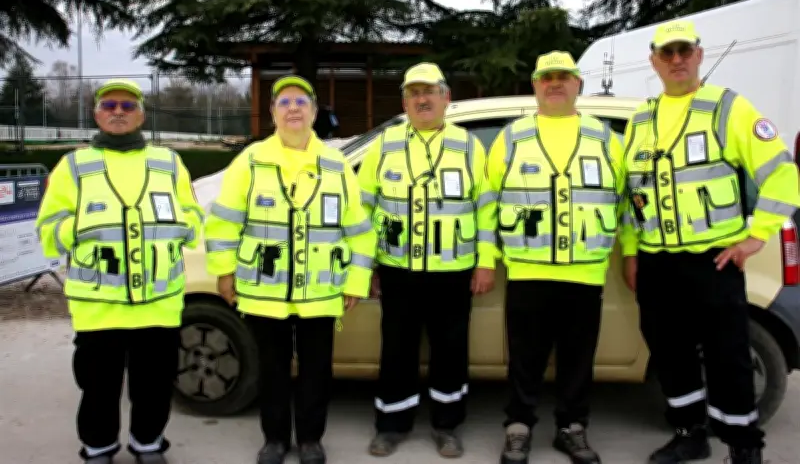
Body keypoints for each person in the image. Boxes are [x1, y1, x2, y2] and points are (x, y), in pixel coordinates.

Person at [619, 19, 800, 464]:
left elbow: (781, 171)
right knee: (671, 354)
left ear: (699, 55)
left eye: (684, 51)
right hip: (657, 263)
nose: (676, 60)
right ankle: (689, 435)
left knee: (728, 357)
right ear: (654, 62)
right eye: (667, 53)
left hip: (712, 261)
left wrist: (757, 236)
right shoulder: (642, 118)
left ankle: (743, 448)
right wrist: (631, 249)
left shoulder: (728, 109)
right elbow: (631, 194)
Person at [203, 75, 376, 464]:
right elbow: (225, 221)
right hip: (264, 291)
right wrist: (224, 271)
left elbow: (359, 230)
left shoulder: (336, 164)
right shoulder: (251, 161)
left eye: (301, 101)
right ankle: (276, 439)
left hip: (321, 291)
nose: (293, 108)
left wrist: (355, 280)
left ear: (314, 112)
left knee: (317, 371)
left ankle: (311, 440)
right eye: (284, 102)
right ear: (272, 113)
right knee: (272, 369)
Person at [35, 79, 204, 464]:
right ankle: (98, 447)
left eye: (127, 107)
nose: (117, 112)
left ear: (141, 115)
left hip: (158, 302)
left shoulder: (168, 162)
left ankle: (148, 443)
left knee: (155, 384)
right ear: (96, 114)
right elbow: (48, 227)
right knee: (98, 385)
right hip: (98, 303)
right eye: (109, 105)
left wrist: (181, 230)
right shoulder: (73, 166)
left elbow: (193, 215)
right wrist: (81, 229)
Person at [487, 51, 624, 464]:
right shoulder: (511, 137)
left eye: (564, 76)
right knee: (524, 358)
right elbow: (486, 203)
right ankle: (519, 426)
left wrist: (631, 253)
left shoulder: (605, 139)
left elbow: (627, 205)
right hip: (527, 271)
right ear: (535, 85)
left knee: (578, 360)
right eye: (547, 77)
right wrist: (484, 256)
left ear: (578, 84)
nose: (555, 83)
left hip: (586, 273)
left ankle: (572, 427)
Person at [359, 62, 497, 458]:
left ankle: (446, 426)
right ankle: (391, 425)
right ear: (404, 101)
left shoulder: (469, 146)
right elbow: (363, 210)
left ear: (446, 98)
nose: (422, 99)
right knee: (396, 351)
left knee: (450, 351)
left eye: (429, 91)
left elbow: (484, 208)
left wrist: (485, 261)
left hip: (453, 272)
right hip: (397, 270)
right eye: (414, 93)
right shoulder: (384, 146)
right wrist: (366, 266)